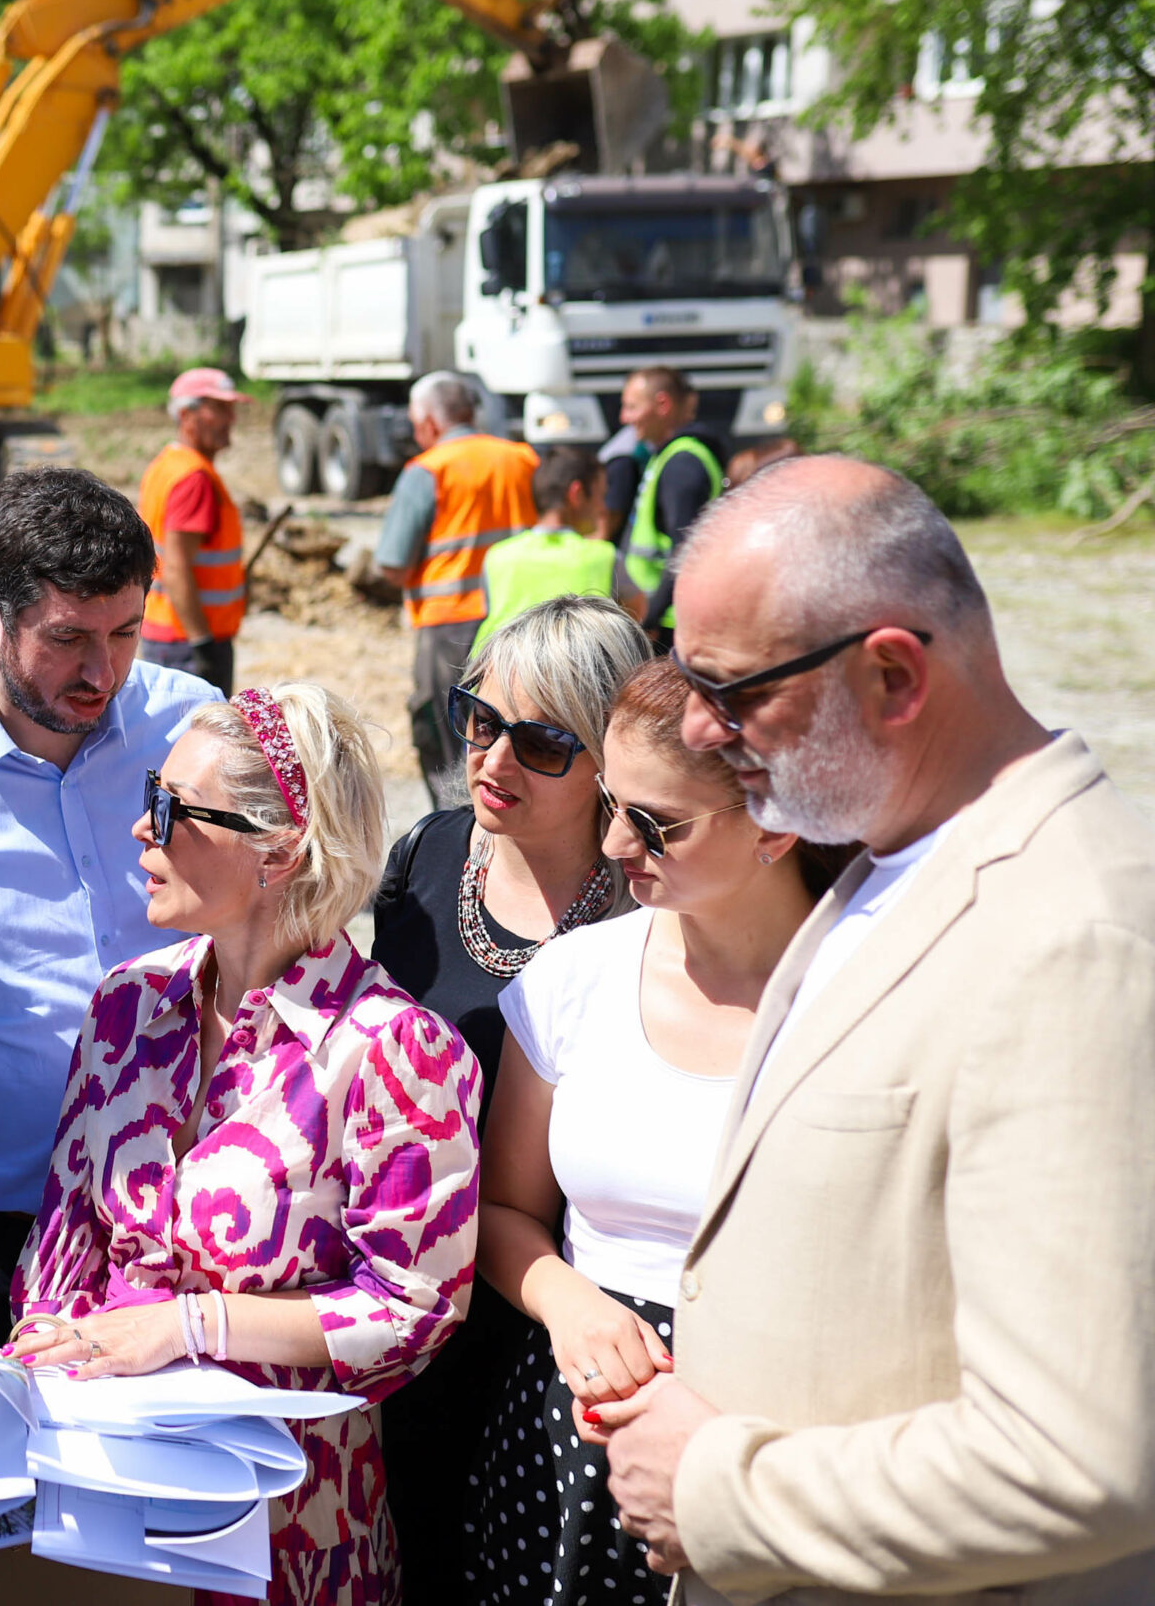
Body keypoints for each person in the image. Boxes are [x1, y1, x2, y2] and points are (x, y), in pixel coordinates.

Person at [590, 457, 1155, 1603]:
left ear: (893, 674)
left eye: (734, 691)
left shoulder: (1071, 938)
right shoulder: (888, 860)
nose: (700, 726)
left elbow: (1078, 1460)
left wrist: (714, 1488)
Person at [10, 682, 482, 1606]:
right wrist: (50, 1354)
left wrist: (193, 1325)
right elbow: (60, 1247)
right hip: (104, 1505)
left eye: (168, 808)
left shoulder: (393, 1051)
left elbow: (415, 1309)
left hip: (287, 1528)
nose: (140, 832)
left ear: (280, 849)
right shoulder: (125, 1007)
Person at [470, 659, 842, 1605]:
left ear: (777, 821)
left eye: (656, 822)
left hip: (776, 1443)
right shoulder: (574, 977)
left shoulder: (861, 992)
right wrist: (569, 1302)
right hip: (576, 1429)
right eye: (610, 803)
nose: (613, 841)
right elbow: (505, 1207)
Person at [0, 468, 220, 1350]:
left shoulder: (196, 731)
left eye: (127, 632)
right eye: (67, 639)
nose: (103, 671)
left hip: (172, 1231)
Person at [367, 594, 649, 1602]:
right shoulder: (426, 853)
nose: (491, 760)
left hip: (553, 1326)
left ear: (612, 760)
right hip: (401, 1307)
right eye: (477, 719)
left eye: (540, 742)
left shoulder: (650, 906)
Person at [374, 370, 540, 807]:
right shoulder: (521, 458)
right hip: (520, 613)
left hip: (448, 625)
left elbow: (392, 562)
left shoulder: (427, 470)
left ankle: (459, 824)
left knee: (450, 734)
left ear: (429, 422)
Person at [136, 367, 247, 694]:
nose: (231, 419)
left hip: (168, 634)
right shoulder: (193, 478)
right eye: (220, 409)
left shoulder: (166, 465)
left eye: (231, 408)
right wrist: (204, 645)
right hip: (187, 642)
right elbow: (177, 567)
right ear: (187, 414)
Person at [473, 446, 636, 649]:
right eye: (600, 496)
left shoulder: (496, 557)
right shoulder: (604, 557)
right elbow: (638, 615)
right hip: (581, 677)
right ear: (576, 493)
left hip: (502, 674)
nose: (603, 508)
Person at [615, 366, 725, 644]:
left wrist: (650, 617)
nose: (624, 417)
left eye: (631, 407)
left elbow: (685, 548)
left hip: (670, 624)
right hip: (663, 617)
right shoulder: (668, 455)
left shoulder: (682, 463)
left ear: (662, 404)